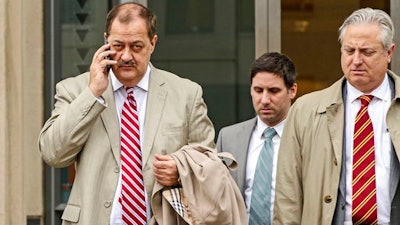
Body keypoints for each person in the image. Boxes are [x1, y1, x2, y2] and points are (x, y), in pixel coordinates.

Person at [38, 2, 215, 225]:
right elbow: (53, 153)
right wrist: (93, 93)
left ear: (153, 43)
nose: (126, 56)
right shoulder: (75, 90)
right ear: (106, 41)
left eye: (137, 46)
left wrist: (181, 171)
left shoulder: (186, 94)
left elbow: (208, 164)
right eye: (118, 46)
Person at [273, 8, 400, 225]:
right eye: (349, 51)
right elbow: (288, 195)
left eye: (367, 52)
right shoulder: (305, 111)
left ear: (389, 53)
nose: (356, 60)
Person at [216, 52, 298, 224]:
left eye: (274, 91)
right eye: (258, 90)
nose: (265, 99)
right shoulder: (228, 137)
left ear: (292, 91)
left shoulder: (306, 138)